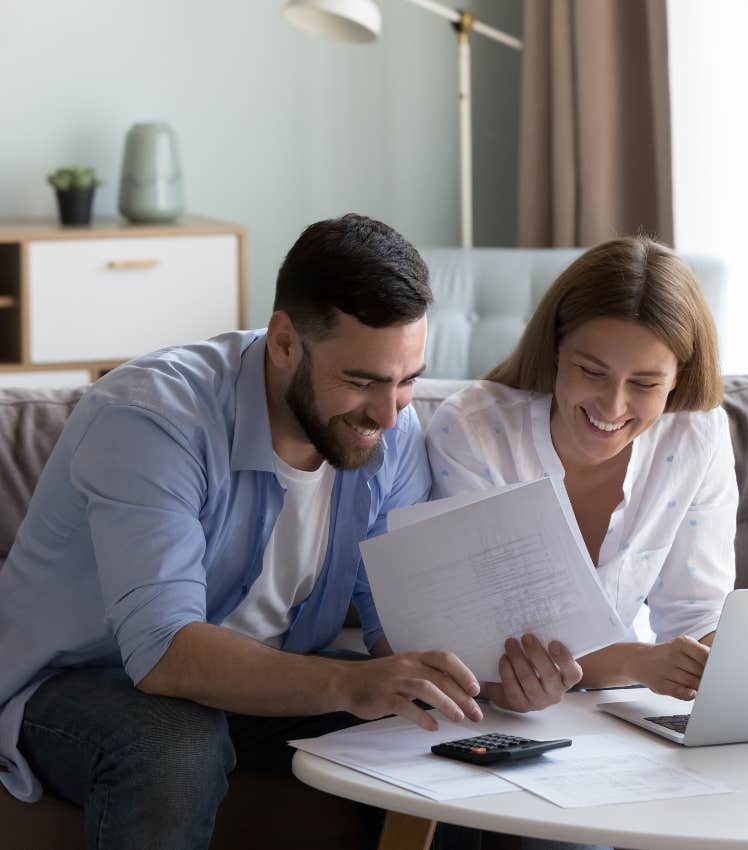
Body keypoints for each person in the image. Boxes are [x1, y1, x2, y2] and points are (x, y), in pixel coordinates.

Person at [0, 213, 490, 849]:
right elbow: (164, 651)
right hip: (79, 685)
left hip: (266, 677)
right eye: (362, 381)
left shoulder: (391, 433)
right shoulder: (151, 419)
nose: (389, 412)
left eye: (408, 381)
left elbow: (396, 626)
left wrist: (477, 672)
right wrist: (349, 683)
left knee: (448, 723)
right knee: (173, 743)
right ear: (284, 341)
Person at [426, 235, 738, 711]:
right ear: (555, 349)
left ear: (679, 376)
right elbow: (493, 640)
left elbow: (696, 613)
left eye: (645, 384)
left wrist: (729, 662)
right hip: (493, 715)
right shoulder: (472, 432)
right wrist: (638, 661)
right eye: (592, 371)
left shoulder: (697, 434)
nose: (613, 407)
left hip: (615, 714)